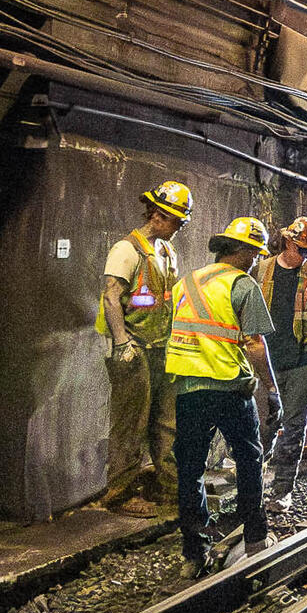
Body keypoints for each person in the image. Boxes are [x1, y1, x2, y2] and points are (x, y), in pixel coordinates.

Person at [167, 215, 277, 573]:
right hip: (230, 386)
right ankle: (255, 536)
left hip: (189, 388)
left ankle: (193, 553)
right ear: (244, 251)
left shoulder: (187, 281)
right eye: (256, 253)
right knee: (248, 458)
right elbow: (256, 344)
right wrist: (272, 387)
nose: (257, 259)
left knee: (190, 469)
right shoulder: (243, 285)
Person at [98, 181, 191, 515]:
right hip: (134, 347)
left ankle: (171, 489)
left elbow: (164, 299)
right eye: (176, 221)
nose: (179, 228)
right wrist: (122, 343)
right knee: (130, 423)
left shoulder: (167, 253)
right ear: (157, 215)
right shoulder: (126, 250)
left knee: (167, 421)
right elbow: (112, 297)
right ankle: (119, 495)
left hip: (160, 347)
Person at [257, 215, 307, 516]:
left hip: (303, 359)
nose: (305, 256)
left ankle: (281, 492)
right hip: (266, 361)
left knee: (293, 427)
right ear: (288, 241)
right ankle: (254, 485)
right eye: (301, 249)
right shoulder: (262, 269)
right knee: (264, 426)